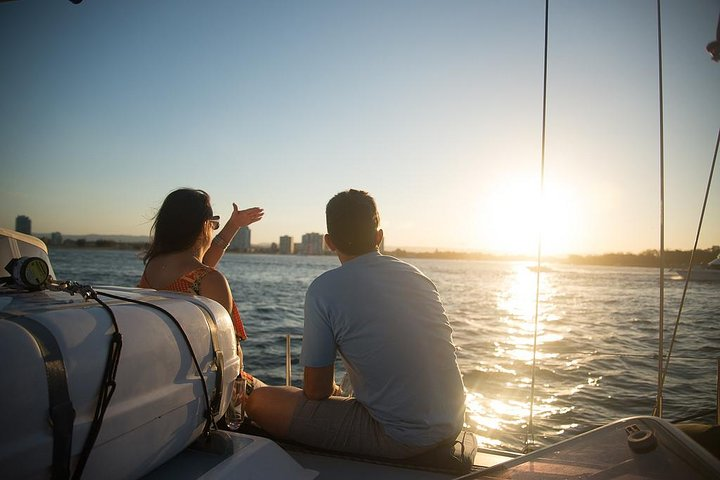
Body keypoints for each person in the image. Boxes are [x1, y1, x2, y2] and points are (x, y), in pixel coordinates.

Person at [245, 189, 465, 459]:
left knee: (260, 401)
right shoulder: (417, 276)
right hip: (452, 423)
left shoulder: (324, 288)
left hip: (401, 436)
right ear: (379, 237)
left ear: (328, 242)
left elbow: (315, 391)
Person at [139, 187, 263, 353]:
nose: (213, 229)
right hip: (207, 375)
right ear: (203, 226)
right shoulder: (209, 280)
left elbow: (203, 262)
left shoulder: (153, 266)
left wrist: (233, 225)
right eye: (214, 223)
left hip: (167, 362)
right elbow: (226, 351)